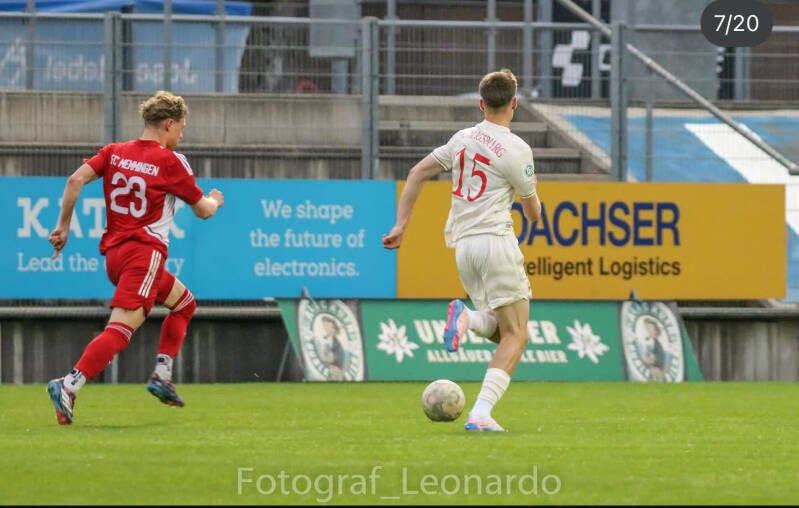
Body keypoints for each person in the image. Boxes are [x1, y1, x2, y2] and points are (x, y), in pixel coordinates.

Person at [46, 91, 225, 425]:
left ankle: (162, 374)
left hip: (115, 255)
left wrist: (63, 227)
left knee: (185, 304)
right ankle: (69, 383)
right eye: (181, 128)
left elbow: (75, 180)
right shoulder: (170, 162)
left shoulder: (115, 152)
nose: (181, 136)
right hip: (145, 255)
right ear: (168, 124)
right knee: (120, 330)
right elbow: (202, 211)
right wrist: (215, 200)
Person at [383, 69, 541, 432]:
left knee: (506, 333)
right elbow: (534, 215)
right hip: (496, 242)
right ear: (514, 103)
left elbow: (417, 172)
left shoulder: (462, 139)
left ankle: (468, 320)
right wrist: (529, 186)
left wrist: (401, 225)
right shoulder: (517, 149)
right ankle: (481, 413)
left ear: (481, 103)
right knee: (518, 334)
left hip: (464, 247)